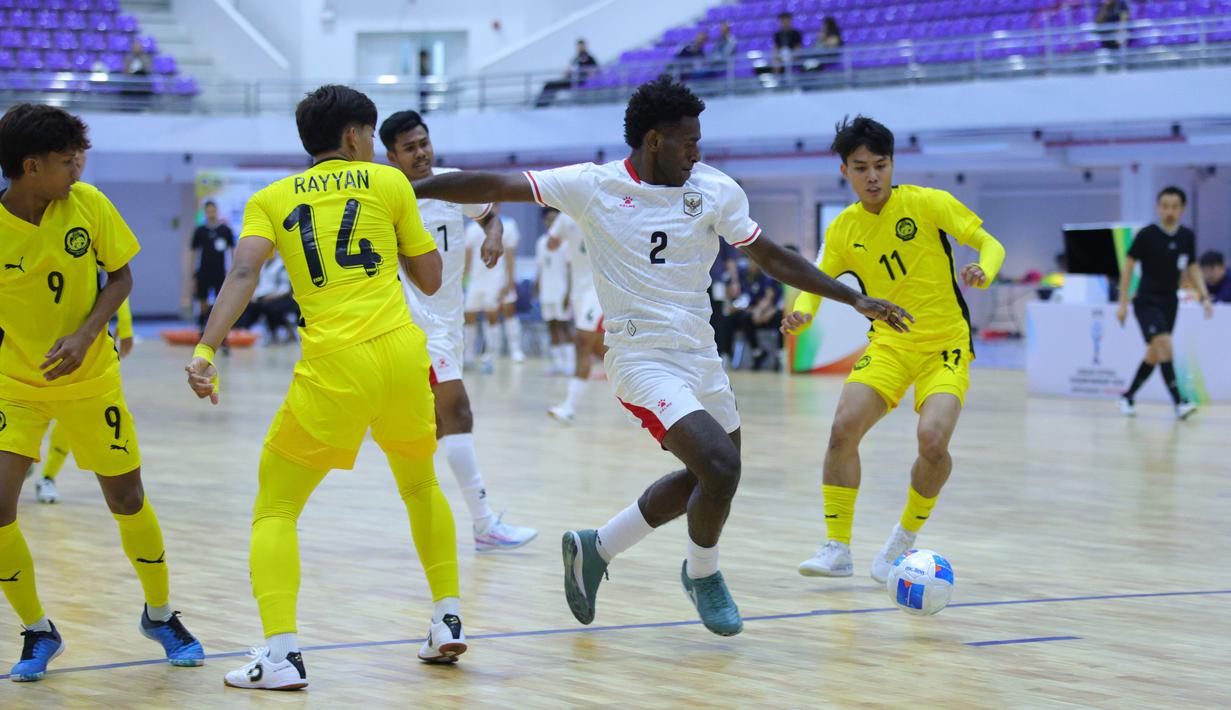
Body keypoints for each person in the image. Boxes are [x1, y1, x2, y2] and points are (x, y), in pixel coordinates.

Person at [412, 76, 911, 636]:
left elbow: (770, 256)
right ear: (654, 141)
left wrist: (852, 297)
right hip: (640, 359)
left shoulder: (715, 189)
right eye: (688, 142)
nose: (697, 152)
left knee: (714, 475)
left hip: (701, 356)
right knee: (718, 466)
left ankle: (597, 547)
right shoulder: (593, 185)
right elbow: (495, 182)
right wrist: (414, 188)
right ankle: (703, 574)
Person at [185, 85, 466, 690]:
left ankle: (281, 655)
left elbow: (243, 272)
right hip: (401, 354)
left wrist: (206, 349)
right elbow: (430, 278)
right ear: (352, 136)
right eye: (369, 134)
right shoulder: (389, 183)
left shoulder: (269, 199)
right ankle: (447, 618)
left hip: (336, 363)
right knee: (421, 484)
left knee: (276, 505)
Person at [0, 104, 203, 682]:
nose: (78, 170)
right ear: (31, 166)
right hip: (16, 386)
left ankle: (160, 615)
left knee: (126, 499)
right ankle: (38, 629)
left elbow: (121, 276)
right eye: (68, 161)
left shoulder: (88, 203)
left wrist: (86, 334)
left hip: (91, 380)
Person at [788, 116, 1005, 583]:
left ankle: (901, 542)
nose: (872, 176)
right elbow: (818, 280)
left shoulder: (928, 203)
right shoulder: (843, 229)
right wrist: (803, 311)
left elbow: (989, 244)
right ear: (845, 170)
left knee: (933, 442)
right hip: (889, 344)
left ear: (892, 165)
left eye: (880, 165)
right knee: (842, 429)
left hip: (945, 345)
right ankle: (837, 548)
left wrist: (984, 270)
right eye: (861, 167)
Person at [378, 109, 536, 551]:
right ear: (392, 156)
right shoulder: (386, 197)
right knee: (458, 413)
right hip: (415, 325)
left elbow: (489, 215)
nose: (421, 153)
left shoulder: (452, 183)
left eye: (424, 143)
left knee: (431, 427)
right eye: (409, 148)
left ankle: (428, 513)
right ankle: (484, 523)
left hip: (449, 321)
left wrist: (493, 235)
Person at [1115, 187, 1213, 419]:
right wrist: (1123, 304)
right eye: (1165, 206)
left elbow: (1192, 267)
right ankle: (1180, 402)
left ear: (1182, 209)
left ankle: (1127, 396)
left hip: (1170, 302)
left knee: (1154, 353)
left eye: (1175, 207)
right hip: (1146, 301)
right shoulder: (1147, 235)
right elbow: (1127, 267)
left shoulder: (1186, 236)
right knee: (1165, 345)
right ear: (1158, 207)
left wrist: (1204, 296)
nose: (1169, 211)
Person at [26, 299, 134, 503]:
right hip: (28, 340)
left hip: (78, 341)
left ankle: (47, 476)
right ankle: (20, 455)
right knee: (22, 407)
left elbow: (117, 281)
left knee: (73, 409)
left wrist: (126, 324)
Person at [544, 209, 605, 423]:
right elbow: (551, 244)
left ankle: (569, 407)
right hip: (579, 290)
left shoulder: (604, 209)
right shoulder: (566, 216)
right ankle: (645, 393)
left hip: (600, 289)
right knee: (602, 350)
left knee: (582, 342)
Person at [464, 215, 525, 366]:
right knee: (469, 315)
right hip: (476, 280)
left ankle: (501, 352)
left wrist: (509, 281)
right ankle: (468, 354)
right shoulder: (471, 228)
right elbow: (468, 257)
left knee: (497, 314)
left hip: (497, 277)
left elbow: (510, 255)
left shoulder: (508, 226)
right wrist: (464, 281)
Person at [536, 207, 574, 376]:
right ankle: (558, 363)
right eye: (548, 219)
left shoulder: (566, 243)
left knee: (564, 326)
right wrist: (537, 288)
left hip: (562, 292)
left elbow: (571, 270)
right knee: (551, 326)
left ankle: (570, 364)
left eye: (554, 219)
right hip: (547, 292)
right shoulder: (541, 243)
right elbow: (540, 268)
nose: (551, 222)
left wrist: (568, 294)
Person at [189, 200, 235, 331]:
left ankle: (220, 330)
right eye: (208, 211)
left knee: (220, 301)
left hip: (220, 271)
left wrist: (233, 271)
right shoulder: (200, 231)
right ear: (205, 212)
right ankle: (202, 326)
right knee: (202, 301)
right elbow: (193, 252)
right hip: (203, 271)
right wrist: (193, 273)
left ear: (217, 211)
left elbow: (232, 251)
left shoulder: (225, 230)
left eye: (213, 211)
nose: (211, 213)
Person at [729, 260, 783, 370]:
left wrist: (760, 312)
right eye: (749, 262)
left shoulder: (769, 277)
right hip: (757, 312)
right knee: (743, 318)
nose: (751, 265)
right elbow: (749, 300)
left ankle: (780, 354)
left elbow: (768, 299)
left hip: (771, 312)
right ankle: (757, 352)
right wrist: (753, 311)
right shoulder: (747, 277)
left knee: (780, 318)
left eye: (753, 262)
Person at [235, 253, 297, 343]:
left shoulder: (281, 266)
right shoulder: (263, 266)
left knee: (269, 307)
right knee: (247, 305)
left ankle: (276, 331)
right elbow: (260, 285)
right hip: (263, 296)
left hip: (280, 297)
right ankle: (241, 331)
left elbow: (285, 289)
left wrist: (270, 296)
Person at [536, 39, 600, 107]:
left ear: (585, 46)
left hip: (580, 81)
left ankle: (542, 105)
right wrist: (566, 75)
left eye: (582, 46)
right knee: (549, 85)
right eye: (579, 46)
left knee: (552, 85)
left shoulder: (590, 59)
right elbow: (568, 70)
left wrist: (587, 72)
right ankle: (541, 104)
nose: (580, 48)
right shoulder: (576, 58)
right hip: (570, 80)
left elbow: (595, 71)